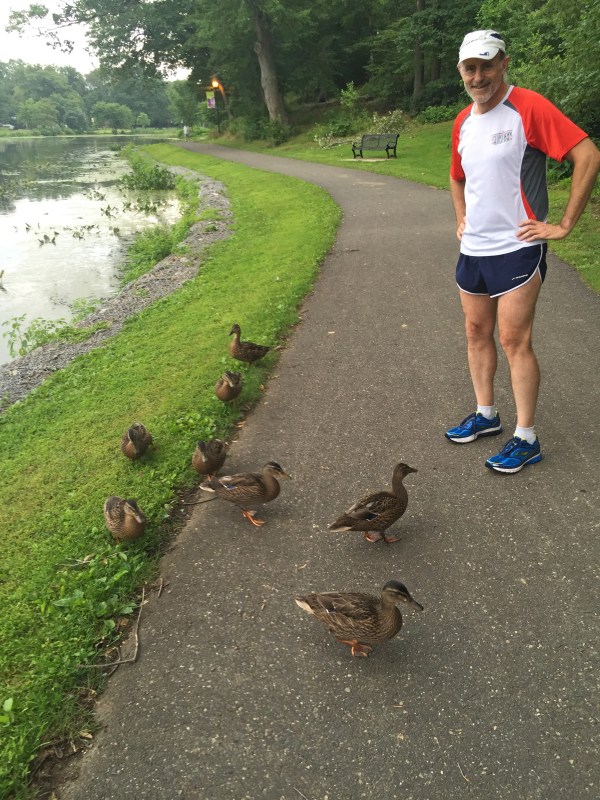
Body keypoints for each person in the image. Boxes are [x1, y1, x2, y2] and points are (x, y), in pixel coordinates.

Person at [445, 30, 600, 473]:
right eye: (470, 68)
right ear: (461, 71)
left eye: (486, 65)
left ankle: (526, 437)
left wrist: (564, 224)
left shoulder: (528, 107)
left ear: (503, 64)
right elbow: (457, 175)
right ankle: (486, 415)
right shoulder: (463, 121)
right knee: (476, 331)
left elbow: (588, 155)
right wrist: (461, 215)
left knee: (515, 341)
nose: (479, 76)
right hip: (474, 248)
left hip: (518, 247)